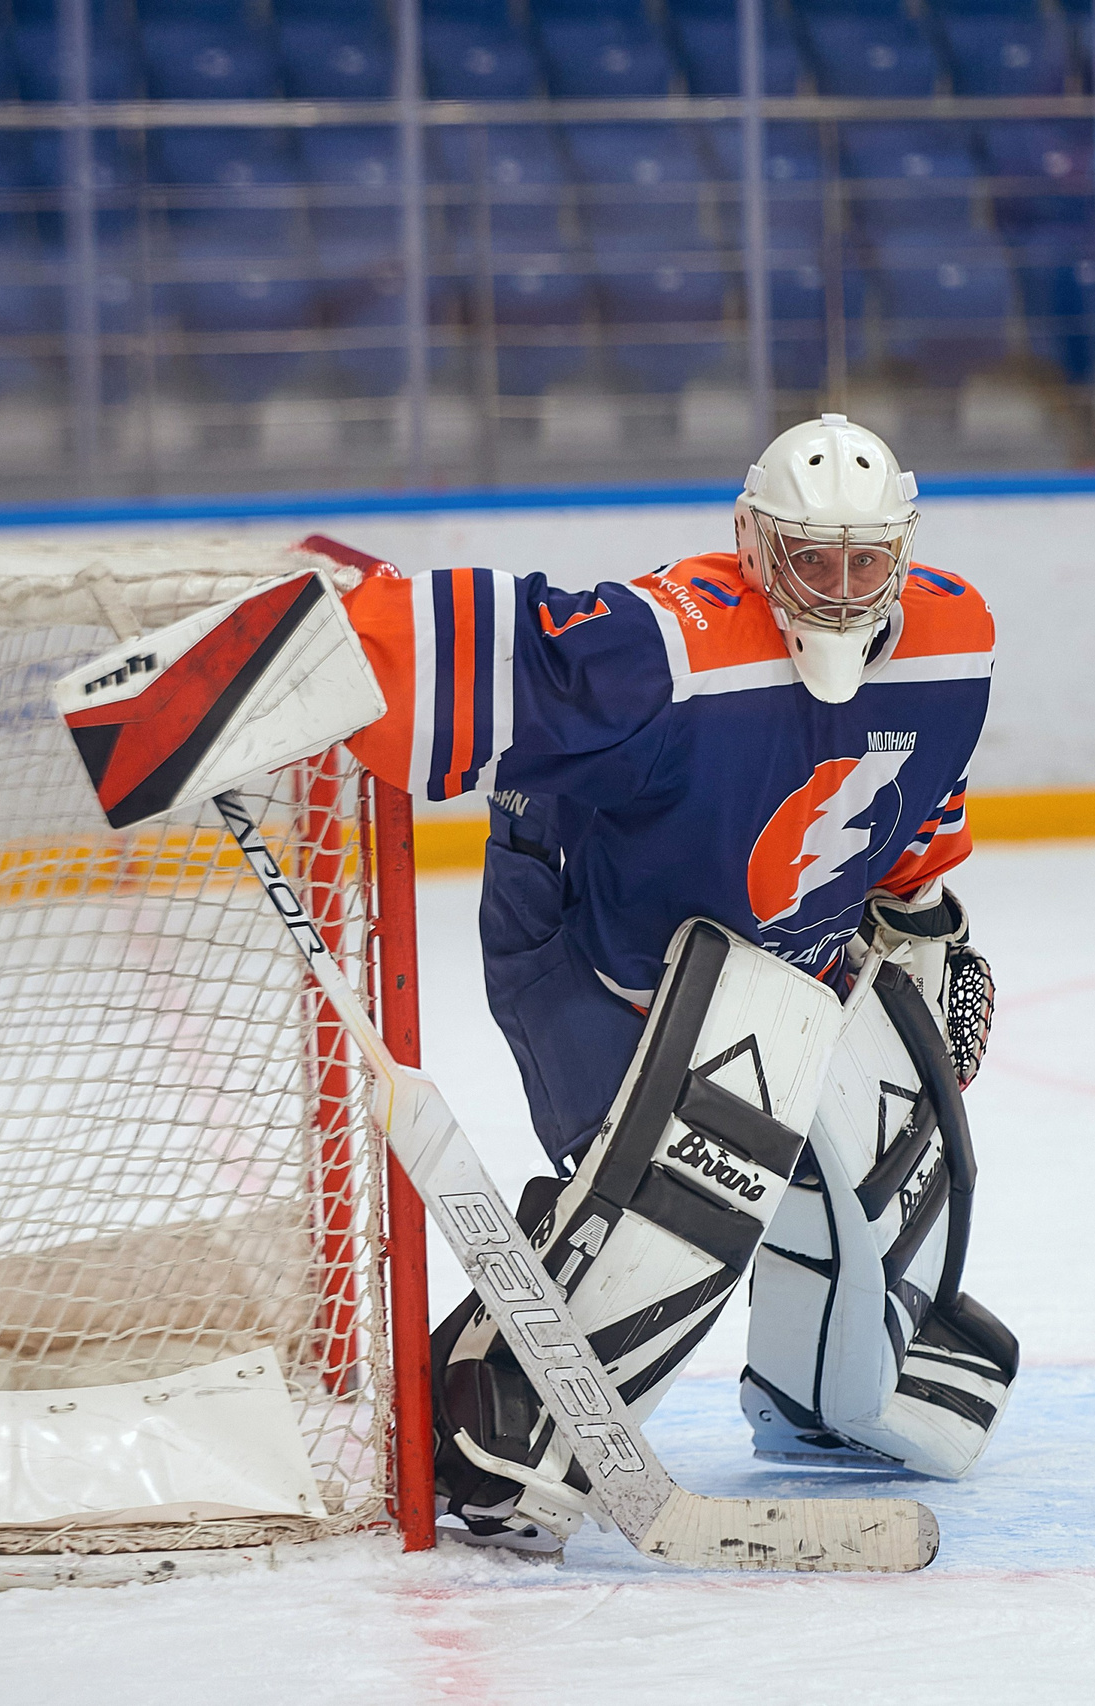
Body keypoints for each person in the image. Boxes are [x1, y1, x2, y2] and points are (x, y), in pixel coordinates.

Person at [339, 414, 1016, 1554]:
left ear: (903, 547)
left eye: (865, 560)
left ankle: (823, 1392)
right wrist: (347, 642)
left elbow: (918, 796)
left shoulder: (956, 635)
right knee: (682, 1198)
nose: (841, 589)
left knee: (889, 1158)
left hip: (764, 945)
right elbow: (518, 654)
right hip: (586, 935)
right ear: (753, 542)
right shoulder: (676, 638)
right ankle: (490, 1403)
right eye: (811, 559)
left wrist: (927, 920)